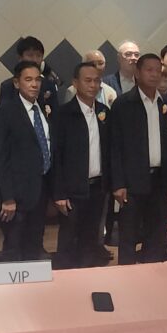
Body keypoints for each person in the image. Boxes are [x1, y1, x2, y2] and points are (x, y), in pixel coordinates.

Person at [109, 54, 167, 264]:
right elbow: (114, 147)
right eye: (149, 70)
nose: (154, 74)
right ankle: (127, 277)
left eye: (158, 70)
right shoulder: (123, 104)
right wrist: (118, 183)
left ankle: (152, 275)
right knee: (129, 236)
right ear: (137, 73)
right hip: (131, 182)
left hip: (160, 181)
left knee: (156, 234)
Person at [52, 63, 111, 268]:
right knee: (69, 239)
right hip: (71, 190)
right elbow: (57, 156)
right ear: (75, 83)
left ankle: (88, 277)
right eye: (87, 80)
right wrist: (59, 193)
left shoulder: (104, 112)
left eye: (96, 80)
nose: (93, 85)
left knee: (91, 238)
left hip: (98, 187)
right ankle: (66, 280)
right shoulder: (63, 114)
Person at [0, 60, 52, 262]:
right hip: (16, 196)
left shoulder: (44, 108)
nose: (34, 84)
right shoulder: (6, 111)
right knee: (14, 249)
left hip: (41, 190)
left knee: (34, 247)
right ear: (17, 83)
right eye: (28, 79)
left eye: (37, 80)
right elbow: (1, 156)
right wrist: (7, 197)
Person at [0, 36, 59, 114]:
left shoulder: (49, 85)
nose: (35, 60)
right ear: (20, 58)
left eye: (38, 56)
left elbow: (56, 115)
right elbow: (4, 114)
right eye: (30, 55)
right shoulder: (8, 86)